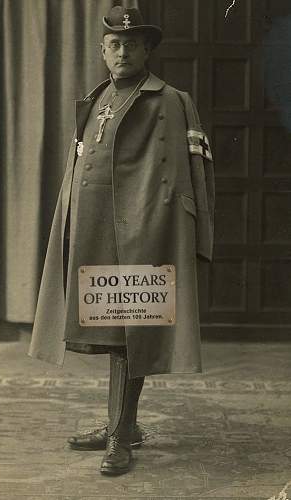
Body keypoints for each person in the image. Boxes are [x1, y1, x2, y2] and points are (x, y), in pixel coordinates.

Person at [29, 6, 215, 476]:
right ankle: (123, 426)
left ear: (147, 49)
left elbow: (191, 176)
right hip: (94, 233)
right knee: (114, 334)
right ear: (102, 51)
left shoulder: (171, 100)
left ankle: (120, 433)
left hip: (144, 237)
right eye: (114, 44)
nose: (123, 51)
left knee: (131, 335)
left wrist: (187, 236)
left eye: (133, 44)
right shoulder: (95, 99)